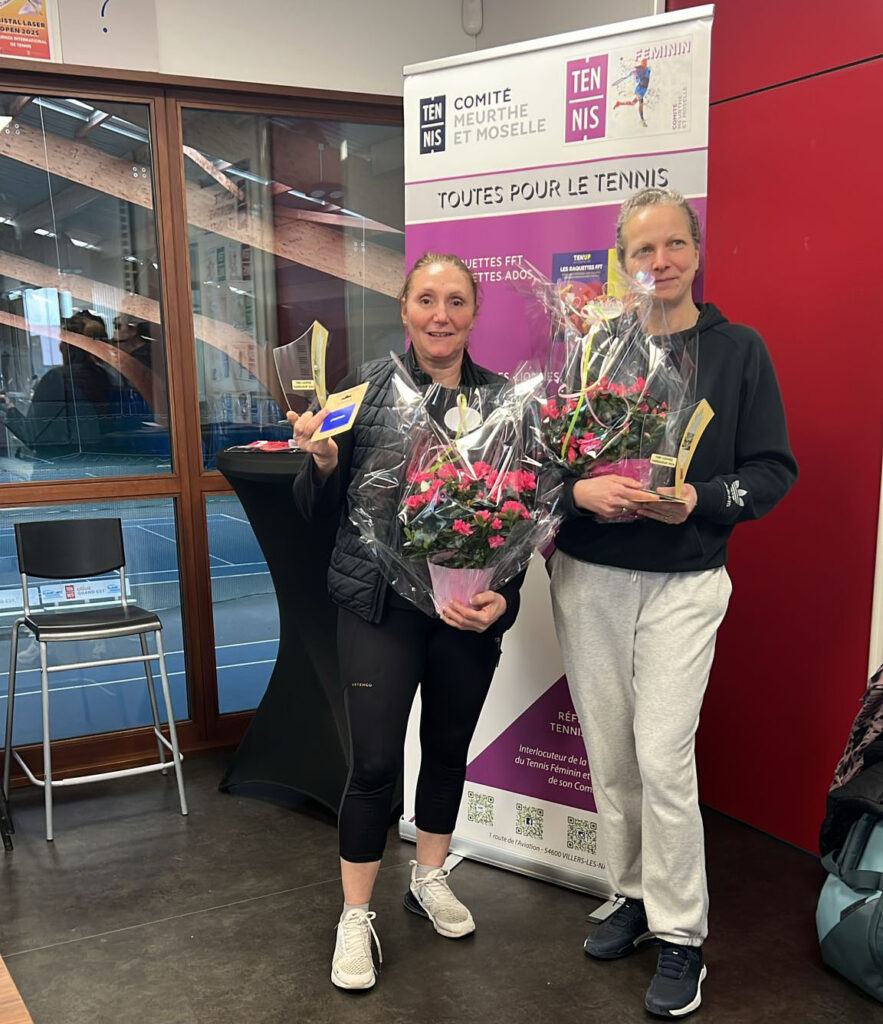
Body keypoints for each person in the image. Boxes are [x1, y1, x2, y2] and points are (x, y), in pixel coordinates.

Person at [549, 187, 797, 1018]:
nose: (659, 262)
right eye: (642, 250)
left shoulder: (737, 350)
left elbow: (771, 469)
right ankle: (629, 895)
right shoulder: (593, 349)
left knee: (661, 756)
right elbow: (548, 463)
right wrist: (579, 493)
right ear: (622, 262)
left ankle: (681, 932)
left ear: (697, 249)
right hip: (589, 575)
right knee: (610, 753)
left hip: (684, 581)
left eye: (673, 245)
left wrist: (701, 498)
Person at [289, 252, 524, 992]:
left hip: (464, 611)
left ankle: (428, 879)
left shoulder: (506, 402)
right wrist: (322, 464)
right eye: (426, 299)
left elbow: (519, 516)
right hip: (379, 609)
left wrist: (505, 598)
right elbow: (313, 511)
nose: (440, 315)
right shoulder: (361, 394)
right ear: (403, 307)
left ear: (474, 311)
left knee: (447, 750)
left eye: (456, 300)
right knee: (373, 766)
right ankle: (355, 915)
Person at [614, 59, 651, 127]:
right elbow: (635, 77)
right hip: (639, 89)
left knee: (633, 103)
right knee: (641, 103)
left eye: (646, 63)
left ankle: (619, 103)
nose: (645, 64)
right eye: (644, 63)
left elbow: (645, 73)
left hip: (643, 90)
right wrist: (629, 76)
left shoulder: (648, 69)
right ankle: (642, 120)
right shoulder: (638, 71)